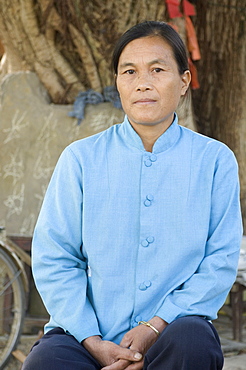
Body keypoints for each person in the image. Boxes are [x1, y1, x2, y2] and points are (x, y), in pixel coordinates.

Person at [23, 21, 242, 370]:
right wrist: (93, 342)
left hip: (175, 330)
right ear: (118, 83)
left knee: (193, 344)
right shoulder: (81, 159)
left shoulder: (214, 161)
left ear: (184, 81)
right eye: (129, 71)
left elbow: (219, 261)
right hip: (89, 335)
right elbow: (55, 258)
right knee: (45, 362)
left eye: (157, 69)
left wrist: (156, 326)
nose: (143, 83)